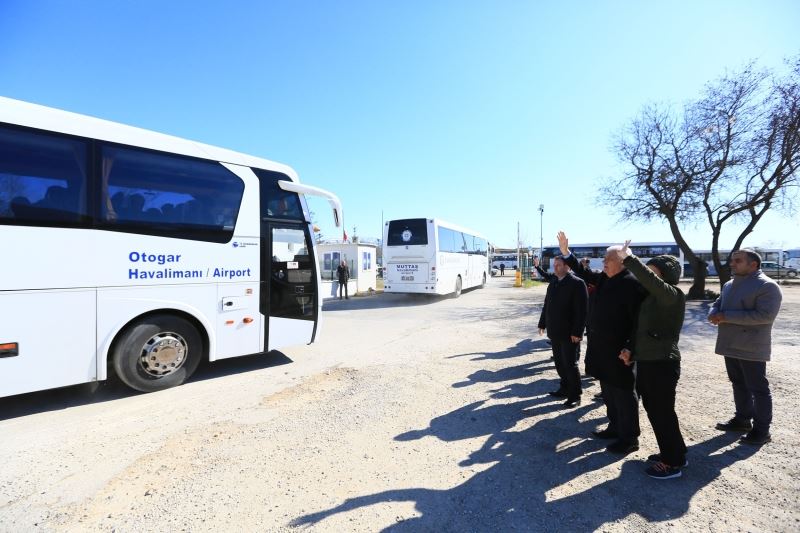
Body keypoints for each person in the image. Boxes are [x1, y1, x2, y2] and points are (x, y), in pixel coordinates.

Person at [558, 231, 645, 455]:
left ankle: (629, 438)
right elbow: (583, 271)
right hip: (602, 349)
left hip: (620, 352)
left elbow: (639, 323)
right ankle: (614, 427)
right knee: (608, 392)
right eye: (604, 259)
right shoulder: (607, 278)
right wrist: (566, 253)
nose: (604, 262)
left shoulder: (633, 285)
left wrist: (631, 347)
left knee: (624, 394)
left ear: (623, 262)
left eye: (609, 259)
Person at [615, 242, 687, 479]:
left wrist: (630, 259)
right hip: (648, 361)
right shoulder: (650, 300)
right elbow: (641, 332)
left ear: (664, 277)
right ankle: (675, 452)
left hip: (662, 364)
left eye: (652, 273)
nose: (646, 278)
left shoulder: (672, 296)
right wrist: (630, 351)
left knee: (662, 412)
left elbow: (653, 284)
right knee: (657, 411)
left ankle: (672, 462)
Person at [709, 249, 783, 446]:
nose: (732, 264)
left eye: (738, 261)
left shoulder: (767, 286)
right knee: (738, 383)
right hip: (730, 344)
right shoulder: (729, 284)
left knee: (758, 389)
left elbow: (765, 316)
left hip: (751, 347)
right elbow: (718, 303)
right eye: (732, 260)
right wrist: (713, 312)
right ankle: (742, 420)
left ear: (753, 264)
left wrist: (726, 316)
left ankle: (762, 431)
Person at [537, 256, 588, 407]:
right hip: (555, 331)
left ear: (568, 267)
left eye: (559, 265)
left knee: (570, 365)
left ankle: (575, 395)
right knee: (559, 363)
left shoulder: (577, 283)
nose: (555, 268)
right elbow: (547, 305)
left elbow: (582, 311)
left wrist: (578, 332)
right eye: (554, 265)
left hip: (570, 333)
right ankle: (564, 388)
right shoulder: (553, 282)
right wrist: (542, 323)